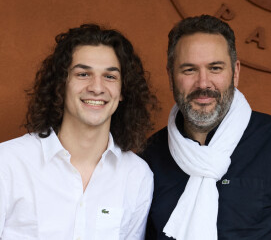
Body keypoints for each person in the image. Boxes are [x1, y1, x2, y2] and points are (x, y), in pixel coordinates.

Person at [142, 15, 271, 240]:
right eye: (189, 70)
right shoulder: (148, 158)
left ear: (235, 72)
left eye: (215, 68)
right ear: (170, 76)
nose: (203, 83)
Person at [0, 24, 158, 240]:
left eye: (110, 77)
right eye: (83, 74)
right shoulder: (8, 163)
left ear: (123, 91)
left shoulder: (137, 176)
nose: (97, 87)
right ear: (61, 84)